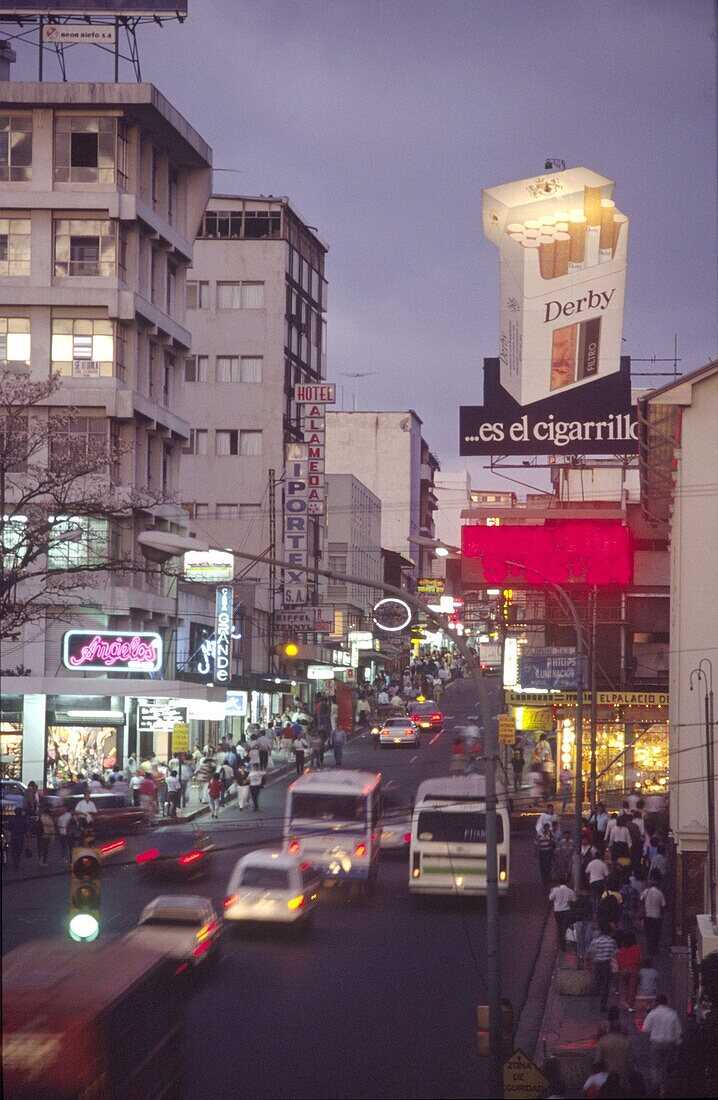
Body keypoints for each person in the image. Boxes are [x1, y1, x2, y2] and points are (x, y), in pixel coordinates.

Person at [642, 994, 682, 1093]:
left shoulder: (653, 1013)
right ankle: (666, 1086)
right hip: (669, 1043)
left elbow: (645, 1028)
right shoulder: (673, 1014)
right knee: (667, 1065)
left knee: (655, 1065)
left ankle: (657, 1086)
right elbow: (678, 1032)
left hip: (656, 1042)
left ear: (657, 1003)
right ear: (666, 1002)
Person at [592, 1005, 634, 1091]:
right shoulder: (626, 1037)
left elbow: (598, 1060)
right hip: (622, 1072)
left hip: (607, 1072)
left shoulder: (603, 1030)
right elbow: (630, 1061)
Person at [641, 874, 666, 956]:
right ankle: (654, 949)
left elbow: (640, 900)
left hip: (647, 916)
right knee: (656, 935)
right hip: (657, 917)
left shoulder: (646, 891)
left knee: (648, 934)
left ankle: (650, 949)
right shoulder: (660, 893)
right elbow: (663, 906)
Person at [570, 884, 595, 969]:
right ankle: (581, 954)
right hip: (581, 920)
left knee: (587, 937)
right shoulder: (579, 901)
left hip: (587, 921)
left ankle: (586, 955)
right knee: (581, 938)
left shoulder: (589, 900)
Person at [616, 930, 642, 1010]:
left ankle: (626, 1002)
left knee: (625, 987)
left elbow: (619, 961)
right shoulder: (637, 948)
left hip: (624, 970)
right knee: (632, 987)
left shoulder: (621, 950)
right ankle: (630, 1004)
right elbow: (640, 960)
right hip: (634, 969)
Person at [549, 877, 576, 951]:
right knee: (564, 927)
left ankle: (561, 943)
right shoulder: (569, 891)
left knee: (559, 927)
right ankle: (563, 942)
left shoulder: (556, 890)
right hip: (566, 911)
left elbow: (550, 898)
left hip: (557, 911)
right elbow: (574, 899)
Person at [536, 823, 556, 888]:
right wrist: (536, 852)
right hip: (542, 852)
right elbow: (536, 843)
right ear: (544, 828)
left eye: (548, 827)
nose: (547, 829)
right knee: (542, 866)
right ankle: (543, 879)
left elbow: (553, 843)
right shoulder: (539, 835)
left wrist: (550, 839)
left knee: (548, 865)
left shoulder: (550, 835)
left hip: (548, 852)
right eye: (546, 827)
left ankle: (548, 878)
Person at [7, 807, 27, 872]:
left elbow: (8, 828)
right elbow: (26, 828)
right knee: (19, 850)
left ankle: (15, 861)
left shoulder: (12, 819)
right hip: (20, 837)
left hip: (13, 836)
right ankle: (17, 861)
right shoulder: (23, 820)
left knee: (13, 850)